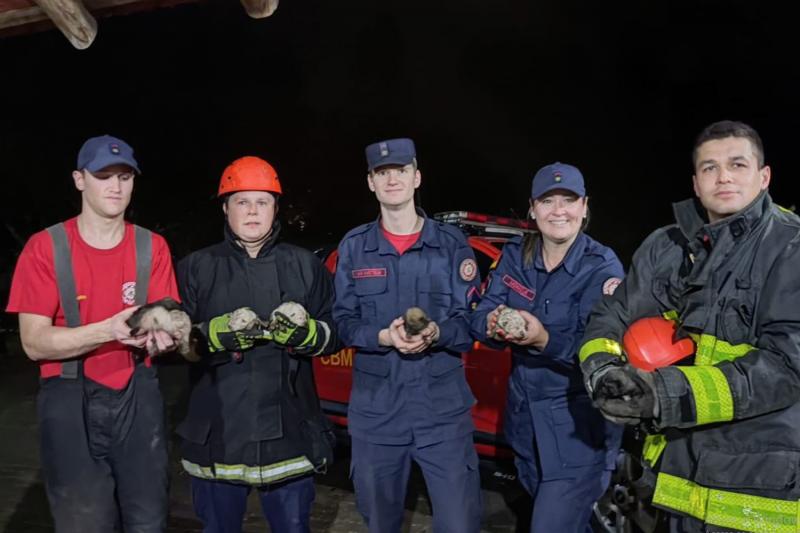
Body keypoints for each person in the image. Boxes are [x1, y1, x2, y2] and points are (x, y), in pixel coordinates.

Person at [581, 120, 800, 533]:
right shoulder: (667, 246)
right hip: (672, 480)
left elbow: (787, 368)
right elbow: (610, 317)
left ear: (764, 177)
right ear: (696, 183)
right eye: (709, 168)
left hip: (754, 487)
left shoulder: (790, 248)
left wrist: (661, 395)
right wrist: (604, 372)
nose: (724, 177)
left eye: (737, 164)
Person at [5, 134, 180, 532]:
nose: (116, 187)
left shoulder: (152, 247)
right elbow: (33, 343)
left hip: (138, 397)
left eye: (125, 176)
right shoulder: (45, 247)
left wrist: (167, 336)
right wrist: (107, 330)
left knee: (149, 522)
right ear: (79, 180)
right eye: (103, 176)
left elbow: (167, 315)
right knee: (85, 523)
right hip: (68, 399)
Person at [176, 155, 339, 533]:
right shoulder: (195, 268)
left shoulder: (305, 265)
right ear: (225, 207)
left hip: (291, 437)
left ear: (276, 208)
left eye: (262, 202)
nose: (252, 212)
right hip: (216, 439)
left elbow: (336, 331)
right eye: (242, 202)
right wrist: (210, 335)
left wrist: (308, 335)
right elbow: (165, 346)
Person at [333, 138, 482, 533]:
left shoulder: (452, 246)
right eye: (383, 173)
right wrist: (382, 336)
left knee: (459, 524)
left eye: (400, 171)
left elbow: (472, 323)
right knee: (380, 522)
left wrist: (437, 332)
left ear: (417, 177)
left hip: (442, 413)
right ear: (371, 183)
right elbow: (343, 322)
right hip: (377, 412)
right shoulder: (355, 247)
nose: (392, 179)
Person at [470, 162, 624, 532]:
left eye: (568, 201)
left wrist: (544, 340)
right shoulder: (516, 256)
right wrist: (491, 324)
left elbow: (606, 350)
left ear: (584, 207)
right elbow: (480, 315)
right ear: (533, 208)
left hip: (577, 427)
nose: (558, 211)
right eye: (548, 201)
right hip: (524, 421)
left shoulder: (602, 267)